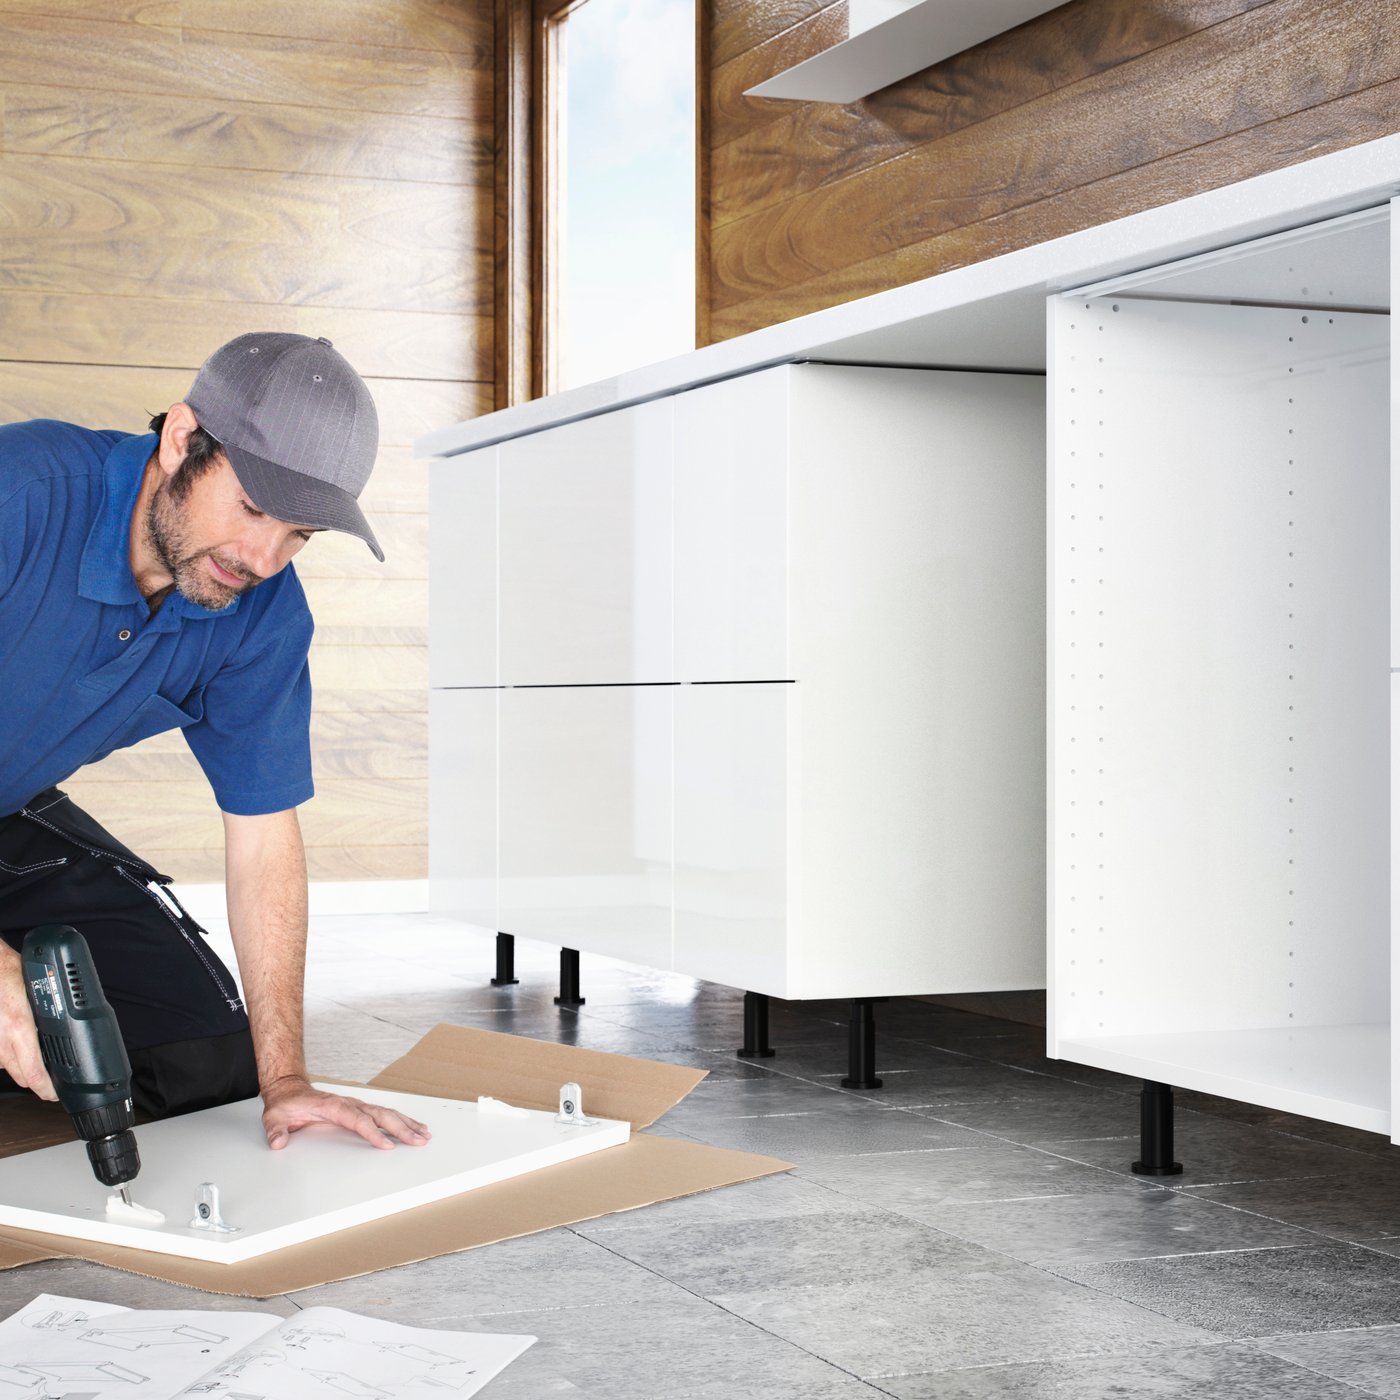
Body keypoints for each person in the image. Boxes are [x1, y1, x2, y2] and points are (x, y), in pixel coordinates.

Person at [0, 333, 429, 1152]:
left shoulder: (261, 611)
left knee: (208, 1062)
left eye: (300, 533)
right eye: (254, 508)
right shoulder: (20, 492)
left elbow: (264, 840)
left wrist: (287, 1079)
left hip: (8, 815)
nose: (264, 558)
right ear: (181, 440)